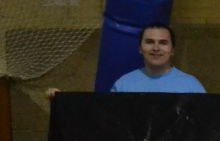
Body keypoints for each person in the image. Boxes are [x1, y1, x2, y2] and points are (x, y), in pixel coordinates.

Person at [45, 24, 206, 99]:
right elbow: (103, 119)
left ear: (172, 50)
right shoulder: (124, 84)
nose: (156, 48)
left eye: (163, 43)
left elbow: (205, 124)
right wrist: (61, 101)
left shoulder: (191, 85)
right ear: (140, 49)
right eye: (149, 42)